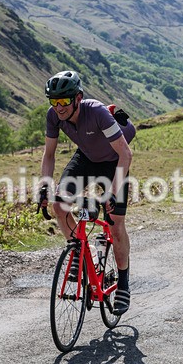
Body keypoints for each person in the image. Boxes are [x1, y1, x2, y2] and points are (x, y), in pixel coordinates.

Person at [39, 70, 135, 315]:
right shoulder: (54, 116)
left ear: (77, 98)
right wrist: (44, 186)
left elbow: (126, 154)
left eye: (63, 101)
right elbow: (49, 155)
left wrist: (113, 192)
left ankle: (123, 282)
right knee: (59, 206)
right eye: (54, 101)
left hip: (114, 161)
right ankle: (81, 251)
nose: (58, 107)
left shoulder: (97, 113)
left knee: (115, 224)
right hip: (86, 158)